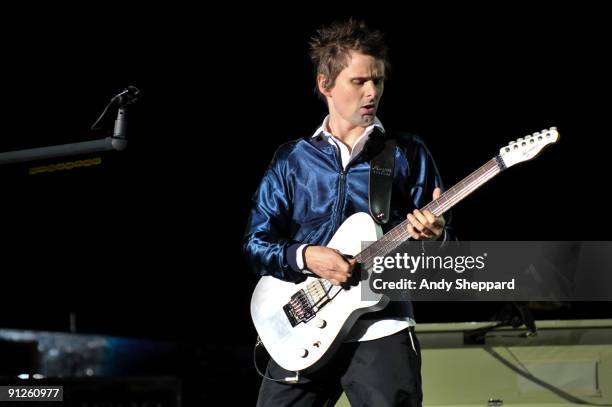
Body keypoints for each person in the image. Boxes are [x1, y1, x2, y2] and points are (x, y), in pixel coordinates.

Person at [244, 19, 455, 407]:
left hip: (382, 326)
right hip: (302, 325)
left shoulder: (406, 152)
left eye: (378, 80)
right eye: (359, 81)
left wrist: (437, 237)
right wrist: (305, 255)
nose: (372, 92)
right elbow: (257, 244)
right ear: (325, 84)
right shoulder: (292, 160)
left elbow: (442, 259)